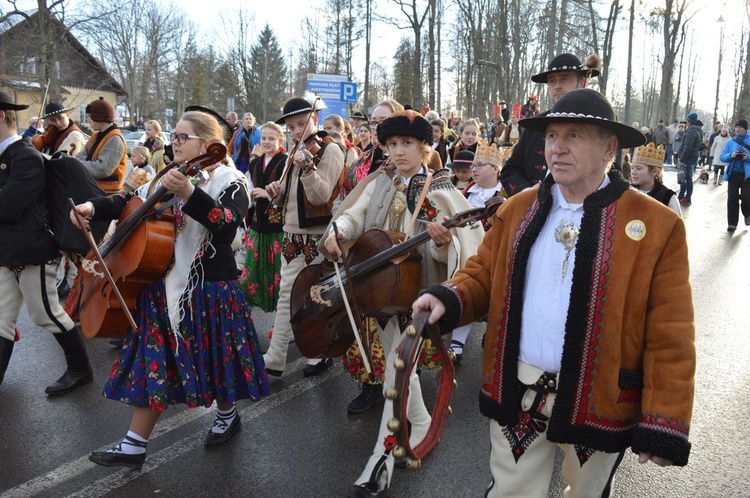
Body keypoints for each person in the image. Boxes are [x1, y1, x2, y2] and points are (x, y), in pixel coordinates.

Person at [413, 88, 695, 498]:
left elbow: (671, 330)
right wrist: (447, 297)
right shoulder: (517, 209)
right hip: (518, 389)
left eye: (574, 136)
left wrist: (664, 418)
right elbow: (483, 274)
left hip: (600, 398)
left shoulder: (657, 224)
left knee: (586, 494)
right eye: (551, 137)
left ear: (609, 147)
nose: (557, 149)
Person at [73, 109, 270, 469]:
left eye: (182, 137)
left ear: (207, 144)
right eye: (174, 137)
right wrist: (92, 207)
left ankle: (227, 415)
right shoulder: (169, 174)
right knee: (156, 361)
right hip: (162, 286)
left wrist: (192, 193)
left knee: (214, 362)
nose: (173, 143)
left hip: (209, 288)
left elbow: (226, 229)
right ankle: (134, 445)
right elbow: (129, 202)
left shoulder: (231, 180)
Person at [321, 110, 483, 497]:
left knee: (397, 369)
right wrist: (338, 230)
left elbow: (468, 247)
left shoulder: (441, 188)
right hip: (382, 292)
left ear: (425, 148)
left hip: (421, 294)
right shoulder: (381, 182)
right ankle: (424, 424)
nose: (397, 152)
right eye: (392, 145)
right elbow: (355, 214)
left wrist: (446, 243)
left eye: (406, 144)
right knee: (401, 368)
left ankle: (381, 460)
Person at [0, 91, 93, 394]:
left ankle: (80, 369)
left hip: (33, 250)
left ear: (1, 116)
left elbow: (9, 206)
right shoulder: (8, 156)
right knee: (1, 318)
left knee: (47, 314)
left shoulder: (24, 156)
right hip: (7, 251)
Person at [262, 96, 346, 378]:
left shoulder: (331, 150)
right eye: (292, 127)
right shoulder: (293, 151)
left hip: (318, 236)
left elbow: (321, 194)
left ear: (315, 119)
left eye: (302, 124)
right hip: (291, 233)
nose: (297, 131)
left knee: (317, 296)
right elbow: (287, 200)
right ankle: (275, 356)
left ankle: (319, 355)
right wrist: (276, 191)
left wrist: (308, 168)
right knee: (288, 294)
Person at [501, 53, 601, 196]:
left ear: (582, 83)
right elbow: (510, 170)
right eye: (552, 81)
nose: (557, 86)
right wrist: (528, 195)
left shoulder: (599, 125)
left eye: (564, 79)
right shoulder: (535, 125)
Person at [447, 144, 505, 362]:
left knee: (495, 298)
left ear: (495, 169)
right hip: (467, 252)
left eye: (481, 165)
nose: (475, 169)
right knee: (465, 290)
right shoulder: (465, 192)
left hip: (495, 255)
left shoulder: (507, 195)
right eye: (474, 165)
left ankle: (493, 337)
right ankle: (457, 345)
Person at [239, 122, 288, 312]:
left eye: (272, 138)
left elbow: (287, 193)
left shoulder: (285, 161)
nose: (267, 142)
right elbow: (249, 189)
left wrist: (267, 194)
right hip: (258, 225)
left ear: (280, 140)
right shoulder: (254, 163)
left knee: (278, 273)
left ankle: (280, 319)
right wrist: (249, 195)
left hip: (277, 226)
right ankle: (247, 312)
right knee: (251, 272)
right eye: (264, 138)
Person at [76, 97, 128, 193]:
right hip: (93, 189)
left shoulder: (115, 139)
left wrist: (78, 164)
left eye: (90, 116)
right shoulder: (95, 136)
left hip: (107, 195)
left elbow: (102, 170)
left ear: (99, 117)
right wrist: (87, 162)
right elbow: (79, 155)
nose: (88, 120)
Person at [630, 143, 681, 215]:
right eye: (632, 168)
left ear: (655, 171)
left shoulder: (667, 197)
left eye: (638, 168)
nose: (633, 172)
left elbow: (677, 224)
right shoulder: (627, 192)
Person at [720, 119, 750, 232]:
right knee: (732, 198)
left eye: (740, 127)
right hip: (733, 173)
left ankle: (747, 214)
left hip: (747, 175)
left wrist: (748, 158)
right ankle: (732, 223)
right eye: (736, 127)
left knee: (746, 198)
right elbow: (722, 156)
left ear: (745, 129)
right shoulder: (731, 141)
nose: (737, 129)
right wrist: (731, 155)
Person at [677, 112, 704, 206]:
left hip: (688, 158)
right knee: (686, 177)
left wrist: (682, 159)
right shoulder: (698, 130)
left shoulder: (691, 131)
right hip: (693, 157)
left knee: (686, 177)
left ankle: (687, 197)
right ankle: (682, 195)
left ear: (689, 121)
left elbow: (687, 146)